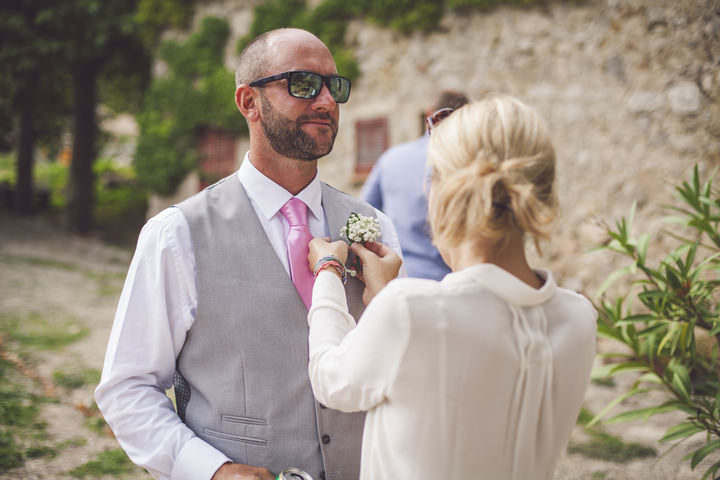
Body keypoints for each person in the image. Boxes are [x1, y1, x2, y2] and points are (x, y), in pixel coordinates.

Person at [95, 28, 402, 480]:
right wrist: (211, 470)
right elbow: (128, 387)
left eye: (334, 86)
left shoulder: (376, 227)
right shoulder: (177, 233)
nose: (325, 101)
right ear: (248, 102)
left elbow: (397, 373)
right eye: (302, 84)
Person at [305, 95, 597, 479]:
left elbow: (330, 379)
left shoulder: (410, 311)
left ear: (446, 192)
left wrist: (328, 271)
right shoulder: (580, 316)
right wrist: (388, 300)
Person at [361, 90, 468, 280]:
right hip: (456, 280)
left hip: (401, 278)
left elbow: (364, 213)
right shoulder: (472, 162)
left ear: (429, 113)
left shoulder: (390, 159)